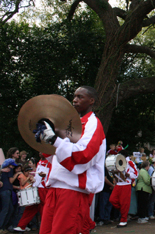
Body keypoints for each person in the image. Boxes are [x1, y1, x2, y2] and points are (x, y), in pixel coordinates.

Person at [35, 85, 106, 234]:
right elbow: (54, 156)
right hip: (54, 187)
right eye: (74, 96)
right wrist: (44, 140)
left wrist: (54, 139)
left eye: (80, 97)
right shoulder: (69, 124)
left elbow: (84, 155)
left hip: (73, 191)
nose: (74, 100)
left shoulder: (93, 123)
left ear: (91, 100)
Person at [14, 152, 51, 232]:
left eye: (42, 151)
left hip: (44, 189)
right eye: (39, 152)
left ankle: (46, 228)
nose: (40, 153)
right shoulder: (39, 162)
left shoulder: (50, 163)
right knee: (31, 207)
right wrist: (33, 179)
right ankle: (21, 226)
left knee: (42, 209)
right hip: (37, 187)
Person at [109, 150, 138, 228]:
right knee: (112, 199)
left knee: (124, 203)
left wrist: (128, 175)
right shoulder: (117, 162)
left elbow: (135, 174)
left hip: (126, 184)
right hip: (118, 184)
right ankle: (124, 213)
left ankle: (123, 220)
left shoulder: (130, 163)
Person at [0, 159, 18, 233]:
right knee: (6, 209)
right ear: (10, 165)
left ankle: (3, 227)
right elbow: (11, 181)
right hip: (6, 191)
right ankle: (1, 227)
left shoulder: (3, 170)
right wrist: (16, 174)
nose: (13, 167)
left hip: (4, 191)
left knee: (10, 209)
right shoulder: (9, 170)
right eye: (12, 165)